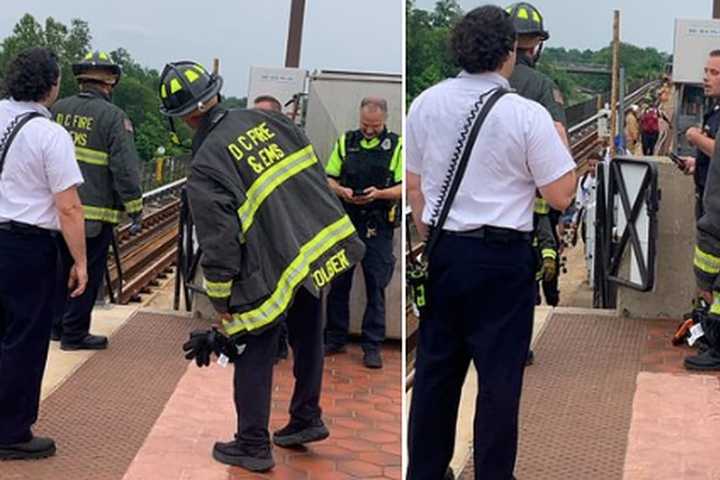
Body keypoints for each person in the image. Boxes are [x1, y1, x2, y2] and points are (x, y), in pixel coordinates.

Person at [158, 60, 364, 473]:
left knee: (254, 345)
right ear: (215, 93)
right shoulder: (270, 121)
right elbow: (310, 175)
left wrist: (220, 300)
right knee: (309, 332)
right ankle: (306, 419)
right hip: (315, 246)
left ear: (183, 117)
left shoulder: (205, 163)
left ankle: (252, 443)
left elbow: (218, 240)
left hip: (271, 262)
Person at [405, 6, 576, 479]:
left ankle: (424, 471)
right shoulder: (528, 114)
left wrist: (432, 238)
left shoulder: (425, 103)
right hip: (502, 261)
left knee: (436, 374)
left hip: (444, 253)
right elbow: (561, 194)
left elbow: (415, 187)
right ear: (508, 53)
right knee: (500, 382)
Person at [0, 47, 87, 460]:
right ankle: (11, 431)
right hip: (26, 248)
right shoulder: (50, 135)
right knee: (23, 337)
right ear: (52, 86)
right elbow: (68, 206)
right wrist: (81, 262)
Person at [51, 51, 143, 350]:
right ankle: (74, 334)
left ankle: (55, 327)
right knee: (85, 274)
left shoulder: (57, 110)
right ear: (109, 83)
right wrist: (135, 207)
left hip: (55, 213)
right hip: (93, 216)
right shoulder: (114, 117)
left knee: (57, 270)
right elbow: (125, 167)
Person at [324, 97, 402, 369]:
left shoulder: (397, 145)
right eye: (365, 125)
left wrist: (380, 194)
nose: (369, 130)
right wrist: (341, 191)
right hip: (347, 220)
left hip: (378, 223)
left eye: (375, 125)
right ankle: (334, 338)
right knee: (339, 283)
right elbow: (329, 178)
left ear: (385, 120)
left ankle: (372, 346)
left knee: (375, 285)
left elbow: (405, 185)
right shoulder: (346, 142)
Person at [679, 50, 720, 220]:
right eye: (706, 71)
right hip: (708, 203)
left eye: (714, 73)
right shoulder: (715, 110)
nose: (706, 77)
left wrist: (695, 137)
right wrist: (697, 164)